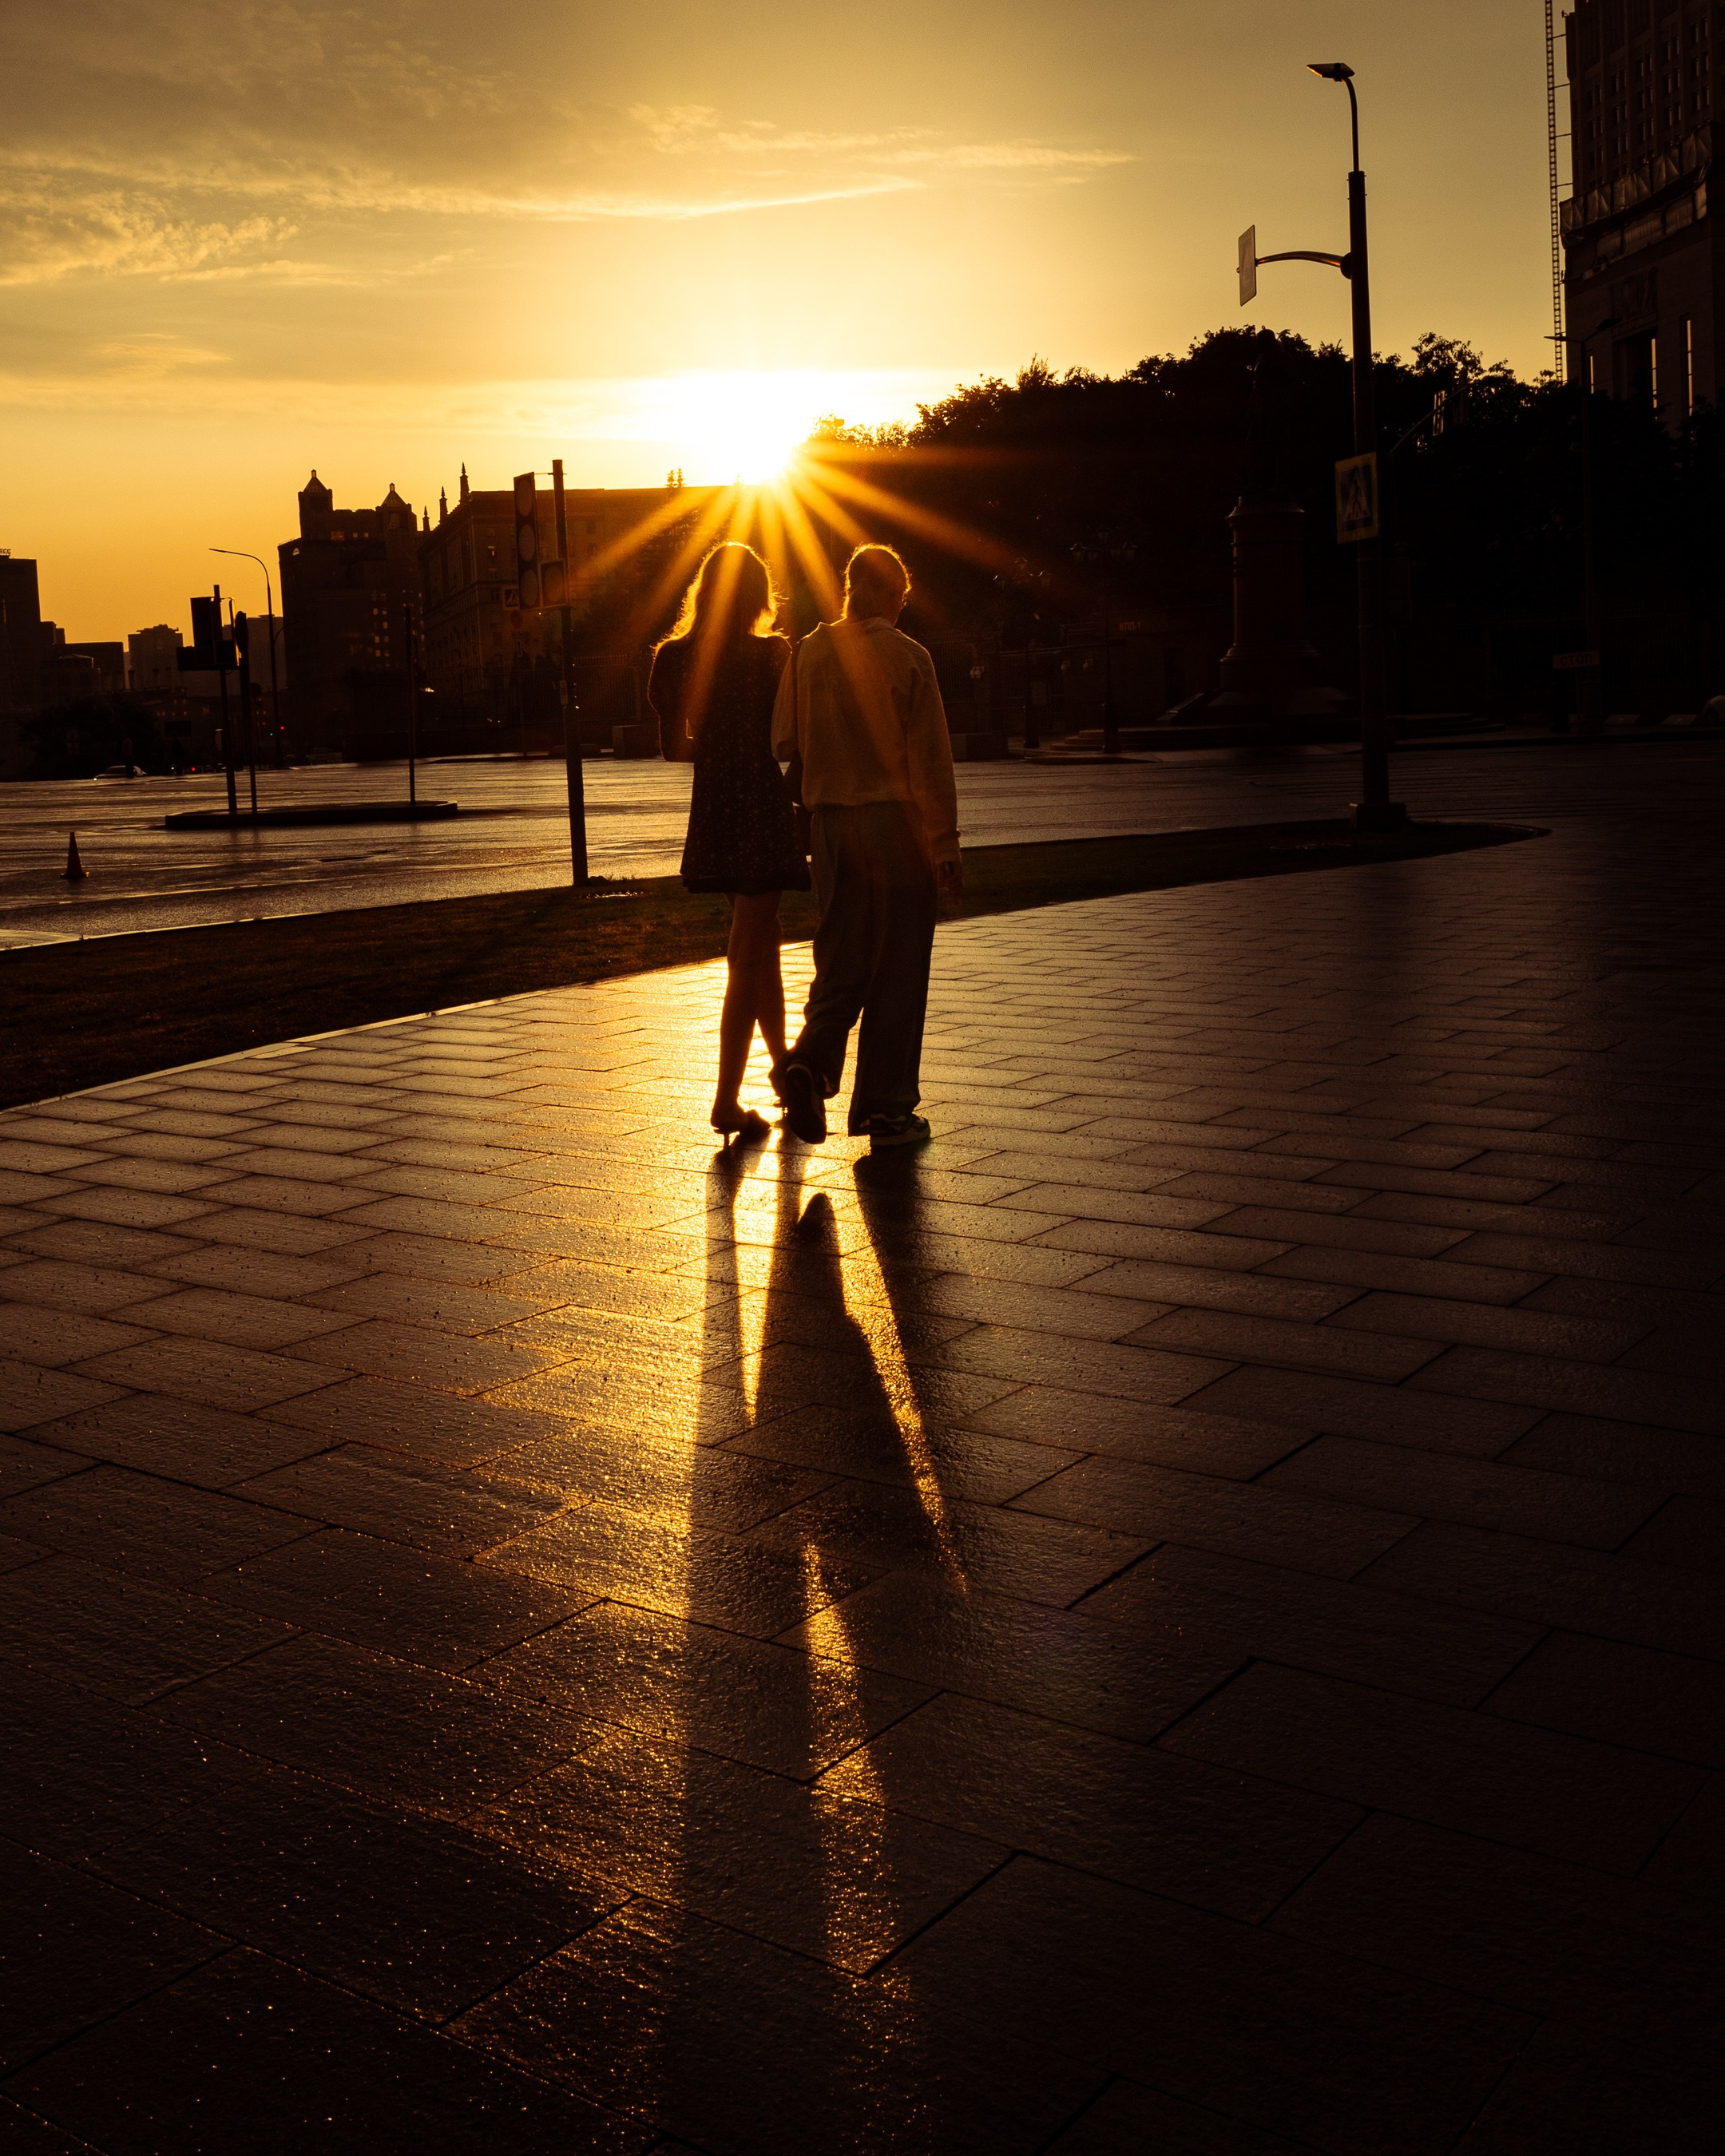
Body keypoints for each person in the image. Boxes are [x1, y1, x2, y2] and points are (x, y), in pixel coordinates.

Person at [770, 543, 961, 1150]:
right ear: (886, 593)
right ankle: (887, 1110)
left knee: (842, 958)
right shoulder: (909, 657)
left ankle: (811, 1061)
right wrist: (945, 843)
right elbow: (930, 760)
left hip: (829, 826)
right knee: (900, 966)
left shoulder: (809, 653)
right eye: (902, 598)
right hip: (895, 824)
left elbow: (782, 739)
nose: (903, 609)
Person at [648, 542, 809, 1139]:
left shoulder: (675, 658)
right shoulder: (773, 655)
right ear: (758, 595)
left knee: (759, 946)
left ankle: (784, 1070)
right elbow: (791, 739)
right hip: (764, 807)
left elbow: (672, 747)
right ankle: (724, 1101)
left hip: (715, 808)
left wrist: (715, 749)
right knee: (749, 955)